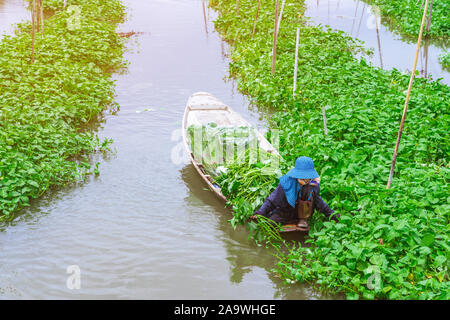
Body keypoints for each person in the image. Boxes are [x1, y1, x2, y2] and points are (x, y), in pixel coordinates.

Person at [250, 156, 339, 230]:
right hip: (284, 212)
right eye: (301, 177)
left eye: (306, 177)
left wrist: (334, 216)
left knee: (308, 190)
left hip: (303, 214)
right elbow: (271, 200)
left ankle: (303, 220)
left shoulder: (313, 185)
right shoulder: (286, 183)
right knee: (269, 224)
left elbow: (320, 203)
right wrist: (260, 212)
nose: (304, 179)